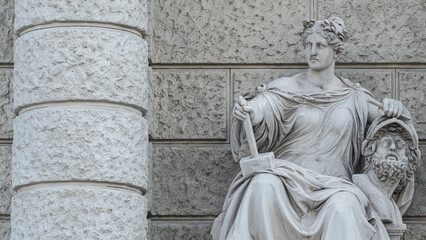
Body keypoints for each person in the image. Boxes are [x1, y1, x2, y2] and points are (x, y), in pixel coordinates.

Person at [211, 17, 413, 240]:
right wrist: (250, 112)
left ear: (336, 50)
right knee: (261, 184)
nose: (312, 52)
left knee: (344, 205)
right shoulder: (287, 87)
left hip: (336, 186)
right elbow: (263, 106)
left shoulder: (354, 97)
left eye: (320, 45)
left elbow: (389, 122)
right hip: (286, 180)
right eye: (308, 45)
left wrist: (394, 108)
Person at [354, 117, 420, 225]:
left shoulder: (395, 203)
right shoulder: (359, 189)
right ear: (372, 151)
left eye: (400, 144)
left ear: (409, 157)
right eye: (385, 143)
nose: (393, 148)